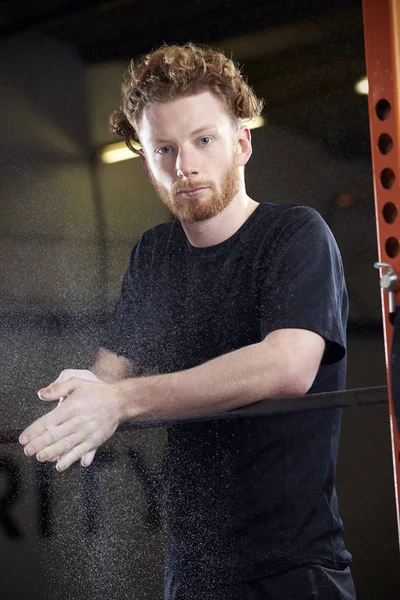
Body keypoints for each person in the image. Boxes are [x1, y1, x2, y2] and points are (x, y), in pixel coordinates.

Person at [19, 43, 356, 599]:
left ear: (241, 143)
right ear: (147, 161)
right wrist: (86, 395)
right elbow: (112, 376)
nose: (186, 165)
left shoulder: (295, 235)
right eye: (164, 149)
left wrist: (120, 402)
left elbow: (288, 366)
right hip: (193, 574)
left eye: (204, 140)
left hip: (294, 571)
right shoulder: (155, 255)